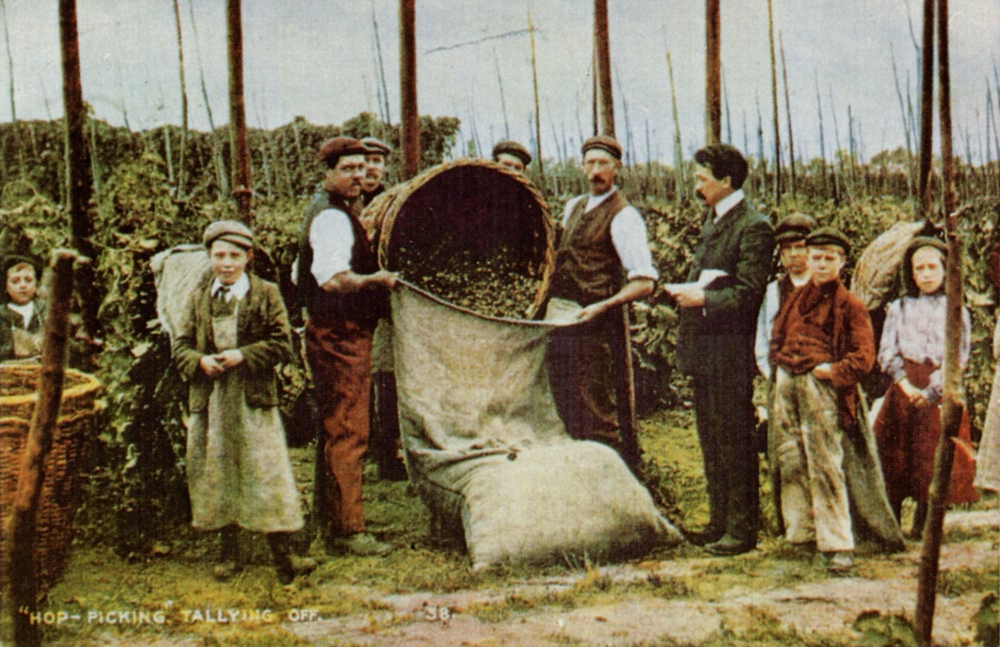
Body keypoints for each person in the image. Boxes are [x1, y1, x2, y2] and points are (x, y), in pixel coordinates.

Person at [172, 220, 315, 584]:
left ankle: (283, 552)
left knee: (266, 470)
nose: (226, 263)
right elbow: (181, 345)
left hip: (253, 399)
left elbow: (282, 343)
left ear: (248, 258)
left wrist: (243, 356)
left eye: (234, 256)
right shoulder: (199, 296)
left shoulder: (265, 293)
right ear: (209, 258)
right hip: (214, 400)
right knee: (219, 471)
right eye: (219, 256)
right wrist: (200, 362)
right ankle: (228, 551)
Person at [667, 143, 774, 556]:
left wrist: (704, 301)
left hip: (730, 352)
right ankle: (718, 521)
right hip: (704, 351)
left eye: (702, 177)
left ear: (727, 180)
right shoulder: (712, 221)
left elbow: (749, 294)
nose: (697, 184)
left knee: (735, 437)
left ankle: (742, 529)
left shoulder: (753, 227)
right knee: (711, 437)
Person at [297, 136, 397, 556]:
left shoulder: (333, 211)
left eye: (362, 169)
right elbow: (333, 279)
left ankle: (332, 520)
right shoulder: (332, 218)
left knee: (338, 426)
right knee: (349, 430)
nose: (358, 177)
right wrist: (377, 281)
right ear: (328, 174)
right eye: (348, 170)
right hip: (340, 333)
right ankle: (348, 532)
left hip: (336, 329)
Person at [769, 227, 875, 571]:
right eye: (816, 257)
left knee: (825, 462)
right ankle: (801, 533)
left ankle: (837, 544)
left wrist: (831, 372)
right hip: (788, 384)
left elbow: (864, 358)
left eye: (829, 258)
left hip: (820, 389)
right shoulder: (796, 298)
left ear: (842, 263)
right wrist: (780, 365)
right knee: (791, 458)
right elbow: (777, 335)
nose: (821, 264)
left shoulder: (851, 305)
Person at [544, 135, 658, 453]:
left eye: (603, 164)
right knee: (567, 402)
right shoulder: (574, 207)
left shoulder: (624, 216)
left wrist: (603, 306)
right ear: (582, 167)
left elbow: (644, 282)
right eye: (590, 163)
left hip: (596, 327)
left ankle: (619, 481)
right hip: (564, 318)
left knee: (598, 408)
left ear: (617, 168)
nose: (596, 171)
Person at [873, 237, 978, 535]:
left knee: (932, 455)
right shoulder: (900, 308)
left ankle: (926, 523)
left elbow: (959, 355)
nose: (927, 274)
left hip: (938, 389)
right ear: (911, 273)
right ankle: (890, 523)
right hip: (905, 386)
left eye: (933, 267)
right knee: (895, 454)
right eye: (920, 268)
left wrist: (933, 390)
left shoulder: (956, 310)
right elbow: (887, 351)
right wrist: (905, 384)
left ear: (946, 271)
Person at [754, 213, 817, 379]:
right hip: (782, 376)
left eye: (799, 247)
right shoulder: (774, 292)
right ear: (781, 255)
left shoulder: (825, 288)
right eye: (787, 248)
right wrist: (771, 374)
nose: (793, 254)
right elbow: (763, 336)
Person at [0, 254, 45, 362]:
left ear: (36, 285)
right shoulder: (2, 314)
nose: (23, 286)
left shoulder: (45, 311)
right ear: (6, 287)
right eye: (15, 281)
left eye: (28, 280)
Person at [359, 136, 391, 207]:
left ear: (384, 166)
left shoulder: (392, 201)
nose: (371, 167)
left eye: (376, 161)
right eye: (365, 160)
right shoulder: (345, 202)